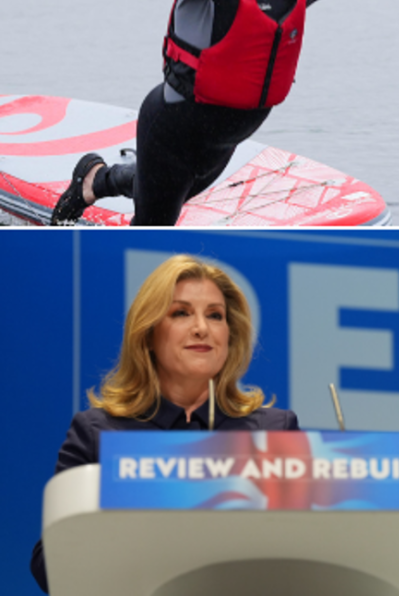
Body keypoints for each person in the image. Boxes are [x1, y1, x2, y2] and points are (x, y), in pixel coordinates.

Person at [50, 0, 399, 226]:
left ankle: (94, 179)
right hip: (171, 130)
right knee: (154, 227)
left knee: (163, 190)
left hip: (223, 142)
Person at [29, 255, 299, 594]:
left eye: (215, 315)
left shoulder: (274, 431)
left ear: (230, 334)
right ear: (149, 332)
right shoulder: (98, 433)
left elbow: (303, 549)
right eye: (181, 313)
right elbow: (50, 562)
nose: (202, 327)